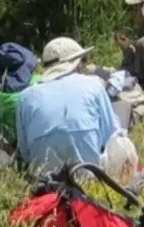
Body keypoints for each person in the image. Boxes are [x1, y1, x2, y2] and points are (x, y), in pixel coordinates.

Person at [15, 37, 125, 178]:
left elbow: (25, 153)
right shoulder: (93, 85)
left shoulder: (25, 97)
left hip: (43, 180)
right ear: (76, 63)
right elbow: (112, 137)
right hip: (89, 176)